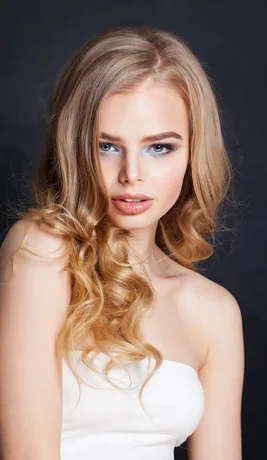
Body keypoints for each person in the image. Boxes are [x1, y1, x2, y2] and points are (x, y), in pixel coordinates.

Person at [0, 26, 244, 460]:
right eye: (107, 146)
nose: (132, 174)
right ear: (75, 149)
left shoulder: (214, 310)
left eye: (159, 148)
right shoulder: (40, 250)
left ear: (193, 152)